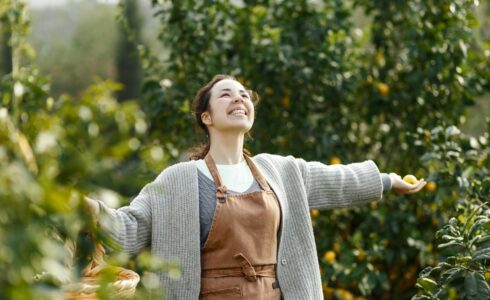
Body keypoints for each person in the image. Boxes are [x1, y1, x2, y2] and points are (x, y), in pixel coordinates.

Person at [85, 74, 426, 299]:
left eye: (244, 95)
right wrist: (86, 209)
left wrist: (387, 181)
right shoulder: (177, 180)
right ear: (206, 117)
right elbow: (130, 228)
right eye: (226, 95)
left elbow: (338, 181)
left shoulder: (280, 171)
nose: (239, 99)